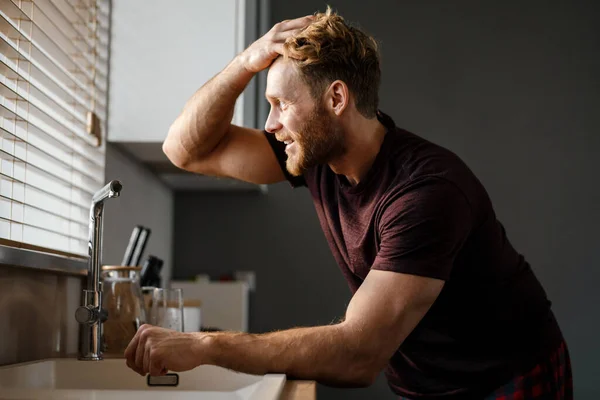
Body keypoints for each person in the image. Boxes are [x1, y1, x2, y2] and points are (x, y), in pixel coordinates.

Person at [125, 8, 573, 399]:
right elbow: (186, 150)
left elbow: (357, 355)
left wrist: (207, 347)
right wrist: (245, 63)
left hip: (506, 375)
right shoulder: (317, 154)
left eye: (281, 103)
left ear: (336, 98)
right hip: (428, 383)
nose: (271, 123)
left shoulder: (426, 192)